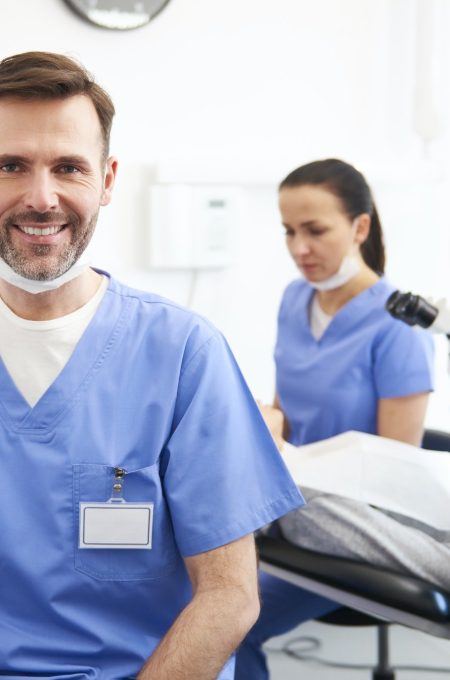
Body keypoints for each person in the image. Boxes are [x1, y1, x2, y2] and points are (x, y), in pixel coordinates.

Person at [0, 51, 305, 680]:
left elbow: (229, 596)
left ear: (107, 181)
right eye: (10, 166)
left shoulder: (182, 354)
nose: (41, 196)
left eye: (69, 167)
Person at [235, 158, 438, 679]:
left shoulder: (398, 327)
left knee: (232, 623)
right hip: (287, 496)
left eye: (315, 230)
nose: (299, 248)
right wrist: (266, 421)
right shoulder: (294, 299)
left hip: (349, 523)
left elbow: (393, 478)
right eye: (289, 231)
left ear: (360, 227)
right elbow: (285, 411)